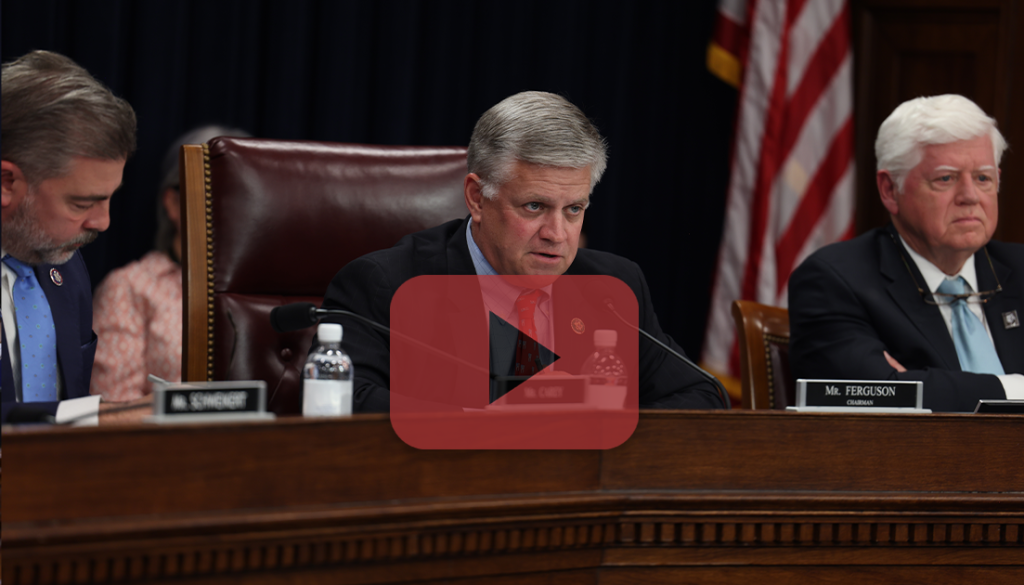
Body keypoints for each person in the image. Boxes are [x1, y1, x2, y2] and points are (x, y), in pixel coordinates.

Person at [318, 91, 726, 412]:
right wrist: (498, 421)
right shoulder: (389, 284)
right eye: (534, 206)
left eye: (574, 209)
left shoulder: (612, 287)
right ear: (477, 198)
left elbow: (702, 394)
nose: (557, 234)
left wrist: (600, 428)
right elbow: (343, 402)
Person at [789, 94, 1024, 412]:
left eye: (983, 178)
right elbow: (879, 399)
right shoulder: (834, 281)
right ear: (890, 190)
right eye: (946, 178)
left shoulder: (1019, 268)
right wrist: (1014, 387)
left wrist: (918, 384)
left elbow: (909, 394)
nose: (970, 196)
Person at [1, 50, 137, 423]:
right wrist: (101, 417)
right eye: (82, 203)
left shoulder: (66, 266)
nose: (103, 222)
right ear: (7, 182)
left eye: (109, 198)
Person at [90, 125, 249, 402]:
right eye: (216, 195)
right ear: (174, 203)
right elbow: (114, 404)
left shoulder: (266, 288)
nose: (233, 211)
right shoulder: (130, 287)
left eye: (245, 198)